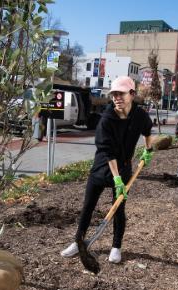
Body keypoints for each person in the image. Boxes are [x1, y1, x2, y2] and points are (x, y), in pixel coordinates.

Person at [60, 76, 154, 264]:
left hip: (125, 166)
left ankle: (116, 246)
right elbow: (108, 152)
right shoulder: (107, 119)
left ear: (132, 94)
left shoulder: (140, 115)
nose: (117, 98)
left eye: (121, 94)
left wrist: (148, 150)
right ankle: (78, 242)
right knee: (88, 206)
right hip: (102, 167)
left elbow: (148, 131)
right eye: (114, 95)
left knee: (119, 210)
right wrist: (117, 180)